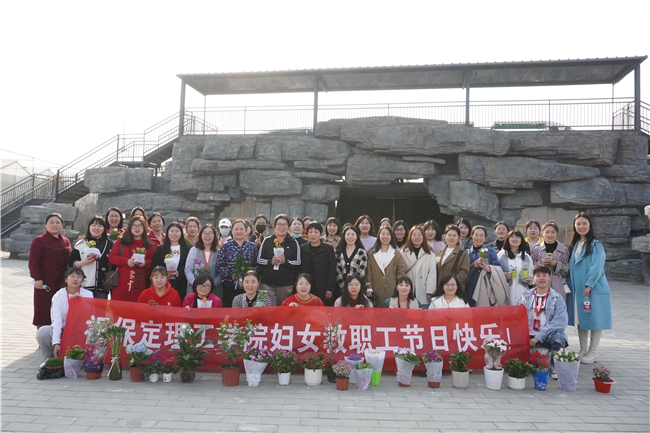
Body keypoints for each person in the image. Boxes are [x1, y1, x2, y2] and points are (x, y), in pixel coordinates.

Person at [567, 212, 612, 364]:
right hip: (578, 290)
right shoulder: (575, 245)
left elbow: (597, 266)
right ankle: (583, 349)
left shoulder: (595, 244)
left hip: (593, 289)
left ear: (590, 225)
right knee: (582, 318)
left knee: (595, 318)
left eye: (584, 224)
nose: (581, 227)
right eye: (578, 224)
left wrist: (589, 285)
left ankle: (593, 352)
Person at [519, 265, 569, 379]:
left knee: (559, 338)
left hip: (547, 334)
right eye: (538, 275)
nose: (541, 278)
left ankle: (555, 366)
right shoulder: (526, 296)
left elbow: (560, 322)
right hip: (528, 333)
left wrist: (539, 337)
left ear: (550, 277)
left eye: (544, 275)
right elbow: (517, 316)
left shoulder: (557, 298)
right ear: (533, 278)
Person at [35, 267, 93, 360]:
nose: (75, 279)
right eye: (72, 276)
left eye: (79, 277)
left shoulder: (88, 295)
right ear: (66, 279)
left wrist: (81, 303)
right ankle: (49, 358)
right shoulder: (58, 296)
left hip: (80, 332)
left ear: (82, 281)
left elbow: (89, 317)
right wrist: (56, 343)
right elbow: (57, 321)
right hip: (63, 330)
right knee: (43, 332)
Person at [29, 213, 72, 328]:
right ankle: (42, 336)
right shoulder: (39, 241)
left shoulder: (65, 241)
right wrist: (37, 278)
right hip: (45, 282)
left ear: (62, 226)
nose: (54, 225)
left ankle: (59, 336)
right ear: (46, 225)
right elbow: (33, 262)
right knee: (43, 310)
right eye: (51, 222)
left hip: (62, 281)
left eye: (58, 223)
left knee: (61, 309)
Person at [257, 214, 302, 306]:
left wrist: (285, 262)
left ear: (289, 227)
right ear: (274, 227)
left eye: (284, 224)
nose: (282, 227)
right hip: (267, 284)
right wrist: (271, 262)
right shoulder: (267, 241)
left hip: (286, 284)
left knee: (284, 310)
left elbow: (298, 262)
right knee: (269, 310)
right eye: (279, 224)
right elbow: (259, 259)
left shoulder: (293, 242)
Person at [108, 216, 156, 302]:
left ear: (144, 228)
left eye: (139, 226)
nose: (137, 228)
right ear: (130, 227)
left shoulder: (149, 245)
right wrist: (126, 261)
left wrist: (145, 263)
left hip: (140, 286)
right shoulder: (121, 242)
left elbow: (154, 263)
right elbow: (112, 258)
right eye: (134, 225)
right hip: (120, 286)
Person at [68, 216, 113, 299]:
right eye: (93, 225)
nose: (96, 228)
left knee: (100, 307)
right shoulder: (80, 244)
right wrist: (81, 263)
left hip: (102, 287)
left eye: (100, 226)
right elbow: (71, 263)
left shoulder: (110, 244)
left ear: (104, 228)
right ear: (89, 227)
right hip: (84, 286)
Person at [215, 219, 257, 307]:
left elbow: (256, 264)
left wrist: (249, 275)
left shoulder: (252, 246)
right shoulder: (226, 246)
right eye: (236, 229)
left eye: (241, 229)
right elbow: (219, 265)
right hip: (229, 285)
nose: (239, 231)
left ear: (246, 230)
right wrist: (231, 274)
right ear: (232, 231)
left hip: (248, 285)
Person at [365, 225, 407, 306]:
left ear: (391, 236)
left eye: (388, 234)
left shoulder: (397, 253)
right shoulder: (371, 253)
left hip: (392, 290)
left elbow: (401, 272)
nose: (385, 236)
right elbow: (368, 272)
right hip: (375, 291)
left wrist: (399, 287)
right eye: (383, 234)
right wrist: (369, 288)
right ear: (379, 236)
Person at [531, 221, 570, 302]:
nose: (550, 235)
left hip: (558, 284)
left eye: (553, 232)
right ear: (542, 233)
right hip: (540, 284)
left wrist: (556, 265)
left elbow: (567, 271)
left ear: (557, 234)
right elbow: (531, 268)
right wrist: (540, 263)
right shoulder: (536, 249)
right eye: (547, 232)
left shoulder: (563, 250)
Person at [300, 222, 337, 305]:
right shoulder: (303, 248)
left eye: (316, 232)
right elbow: (299, 269)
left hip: (322, 286)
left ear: (320, 234)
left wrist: (329, 288)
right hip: (306, 286)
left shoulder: (328, 249)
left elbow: (332, 270)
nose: (313, 235)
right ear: (307, 234)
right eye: (310, 232)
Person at [152, 222, 190, 299]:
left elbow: (189, 265)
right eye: (172, 231)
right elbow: (155, 265)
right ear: (167, 233)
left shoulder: (187, 249)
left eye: (177, 231)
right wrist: (164, 273)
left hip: (181, 283)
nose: (174, 234)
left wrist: (179, 272)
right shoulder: (160, 249)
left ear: (181, 233)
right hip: (163, 283)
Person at [465, 225, 500, 306]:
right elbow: (464, 271)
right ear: (472, 236)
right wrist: (473, 265)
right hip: (471, 286)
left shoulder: (491, 251)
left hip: (487, 285)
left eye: (481, 235)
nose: (479, 238)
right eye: (476, 235)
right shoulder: (467, 253)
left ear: (485, 238)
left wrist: (489, 268)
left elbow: (498, 269)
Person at [400, 225, 437, 304]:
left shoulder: (429, 253)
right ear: (410, 236)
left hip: (423, 289)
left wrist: (430, 291)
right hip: (407, 288)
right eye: (414, 235)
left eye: (419, 235)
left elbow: (432, 273)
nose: (417, 237)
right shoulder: (404, 252)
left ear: (423, 237)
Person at [498, 230, 534, 306]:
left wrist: (529, 280)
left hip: (522, 292)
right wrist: (503, 275)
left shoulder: (527, 257)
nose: (515, 239)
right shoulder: (501, 255)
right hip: (505, 291)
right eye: (512, 237)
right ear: (508, 240)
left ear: (521, 240)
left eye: (517, 237)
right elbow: (494, 273)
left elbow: (532, 274)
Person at [184, 224, 220, 297]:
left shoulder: (219, 253)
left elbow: (221, 273)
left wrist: (212, 285)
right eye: (205, 233)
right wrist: (196, 283)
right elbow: (188, 269)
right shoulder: (194, 250)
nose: (207, 236)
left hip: (214, 290)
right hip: (195, 289)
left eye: (210, 233)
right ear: (200, 235)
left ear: (214, 236)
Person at [436, 225, 470, 292]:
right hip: (439, 289)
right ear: (445, 236)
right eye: (449, 235)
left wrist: (451, 284)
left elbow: (464, 273)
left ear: (459, 237)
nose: (451, 238)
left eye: (454, 236)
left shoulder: (463, 254)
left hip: (453, 290)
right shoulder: (440, 252)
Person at [335, 225, 368, 293]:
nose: (350, 237)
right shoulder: (338, 253)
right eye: (348, 234)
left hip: (357, 289)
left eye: (353, 234)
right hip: (341, 289)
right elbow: (337, 272)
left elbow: (362, 271)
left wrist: (353, 285)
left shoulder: (361, 253)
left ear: (357, 237)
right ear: (344, 236)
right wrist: (344, 287)